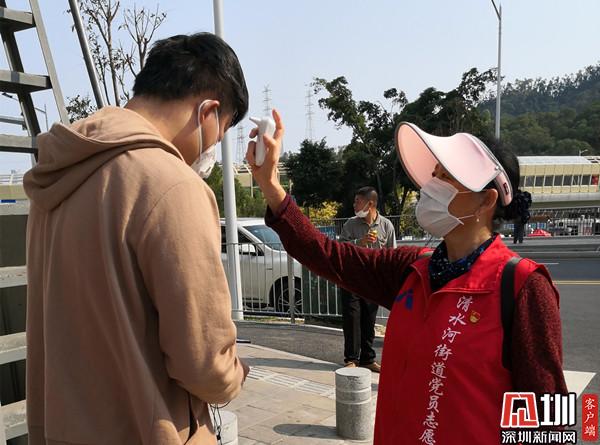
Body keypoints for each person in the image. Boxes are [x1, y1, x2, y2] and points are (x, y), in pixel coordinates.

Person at [246, 112, 567, 444]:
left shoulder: (523, 287)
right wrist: (271, 186)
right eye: (434, 174)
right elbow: (327, 255)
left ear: (486, 200)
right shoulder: (413, 268)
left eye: (446, 177)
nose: (431, 186)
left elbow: (549, 420)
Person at [23, 33, 250, 445]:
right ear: (208, 112)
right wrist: (234, 374)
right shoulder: (172, 185)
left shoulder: (55, 176)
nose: (212, 149)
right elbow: (204, 363)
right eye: (221, 133)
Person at [339, 186, 396, 372]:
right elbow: (340, 249)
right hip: (352, 278)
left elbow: (392, 255)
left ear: (370, 204)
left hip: (373, 280)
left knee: (369, 320)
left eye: (358, 201)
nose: (354, 205)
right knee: (352, 318)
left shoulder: (386, 225)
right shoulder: (350, 224)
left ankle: (368, 359)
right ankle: (351, 358)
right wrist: (359, 242)